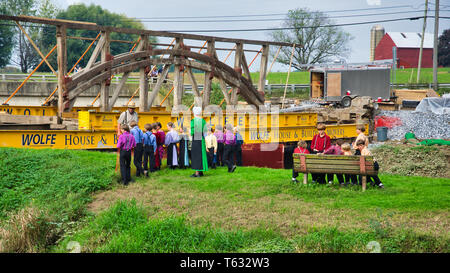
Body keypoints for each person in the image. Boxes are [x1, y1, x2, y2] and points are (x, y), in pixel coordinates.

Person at [190, 107, 208, 177]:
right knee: (201, 155)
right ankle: (201, 172)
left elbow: (192, 132)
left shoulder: (193, 121)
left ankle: (197, 173)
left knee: (196, 155)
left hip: (196, 138)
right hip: (202, 138)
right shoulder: (203, 121)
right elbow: (205, 132)